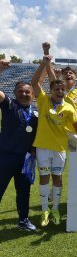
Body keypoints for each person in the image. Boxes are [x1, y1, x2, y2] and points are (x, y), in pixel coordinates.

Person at [32, 52, 77, 227]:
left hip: (59, 149)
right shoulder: (43, 101)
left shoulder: (69, 107)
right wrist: (43, 63)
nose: (58, 91)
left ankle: (55, 209)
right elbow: (34, 83)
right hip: (42, 147)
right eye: (55, 89)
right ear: (51, 91)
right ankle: (44, 211)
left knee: (57, 178)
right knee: (44, 178)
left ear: (65, 91)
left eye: (61, 89)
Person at [0, 60, 38, 231]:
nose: (24, 94)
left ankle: (23, 221)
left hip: (25, 159)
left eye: (27, 91)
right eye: (20, 91)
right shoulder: (9, 105)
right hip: (6, 156)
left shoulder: (36, 113)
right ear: (14, 93)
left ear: (33, 94)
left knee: (24, 192)